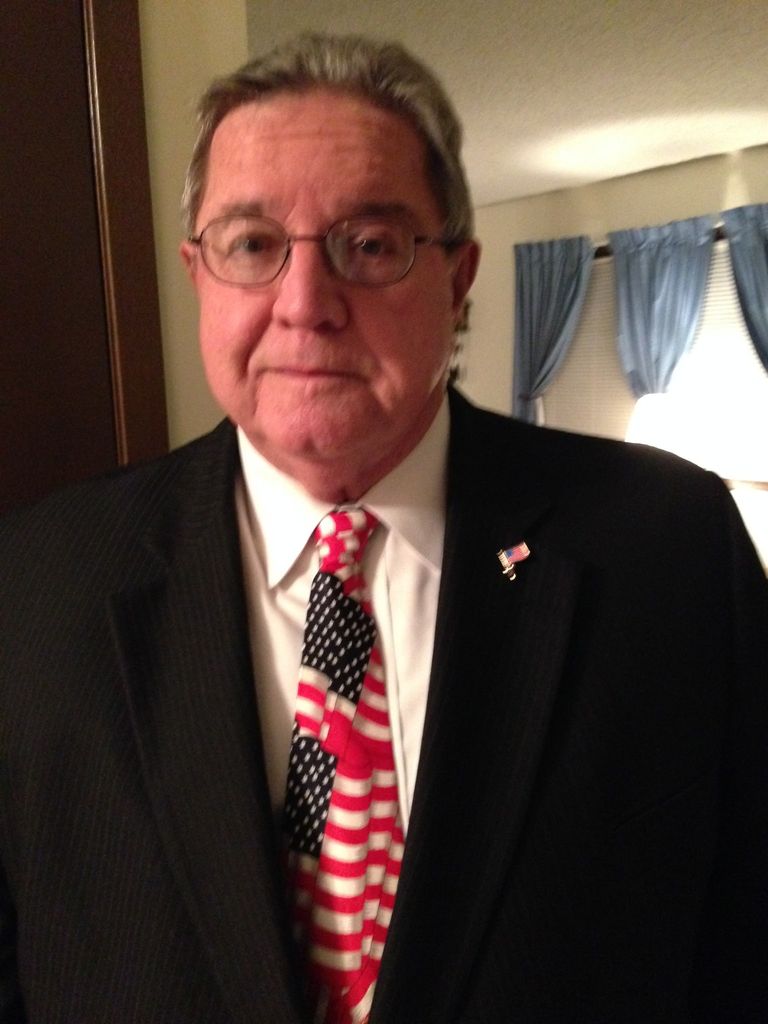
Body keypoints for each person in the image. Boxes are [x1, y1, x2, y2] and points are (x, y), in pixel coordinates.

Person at [0, 32, 766, 1024]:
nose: (305, 305)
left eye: (369, 244)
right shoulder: (38, 584)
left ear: (457, 278)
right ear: (197, 274)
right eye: (251, 244)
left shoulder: (670, 549)